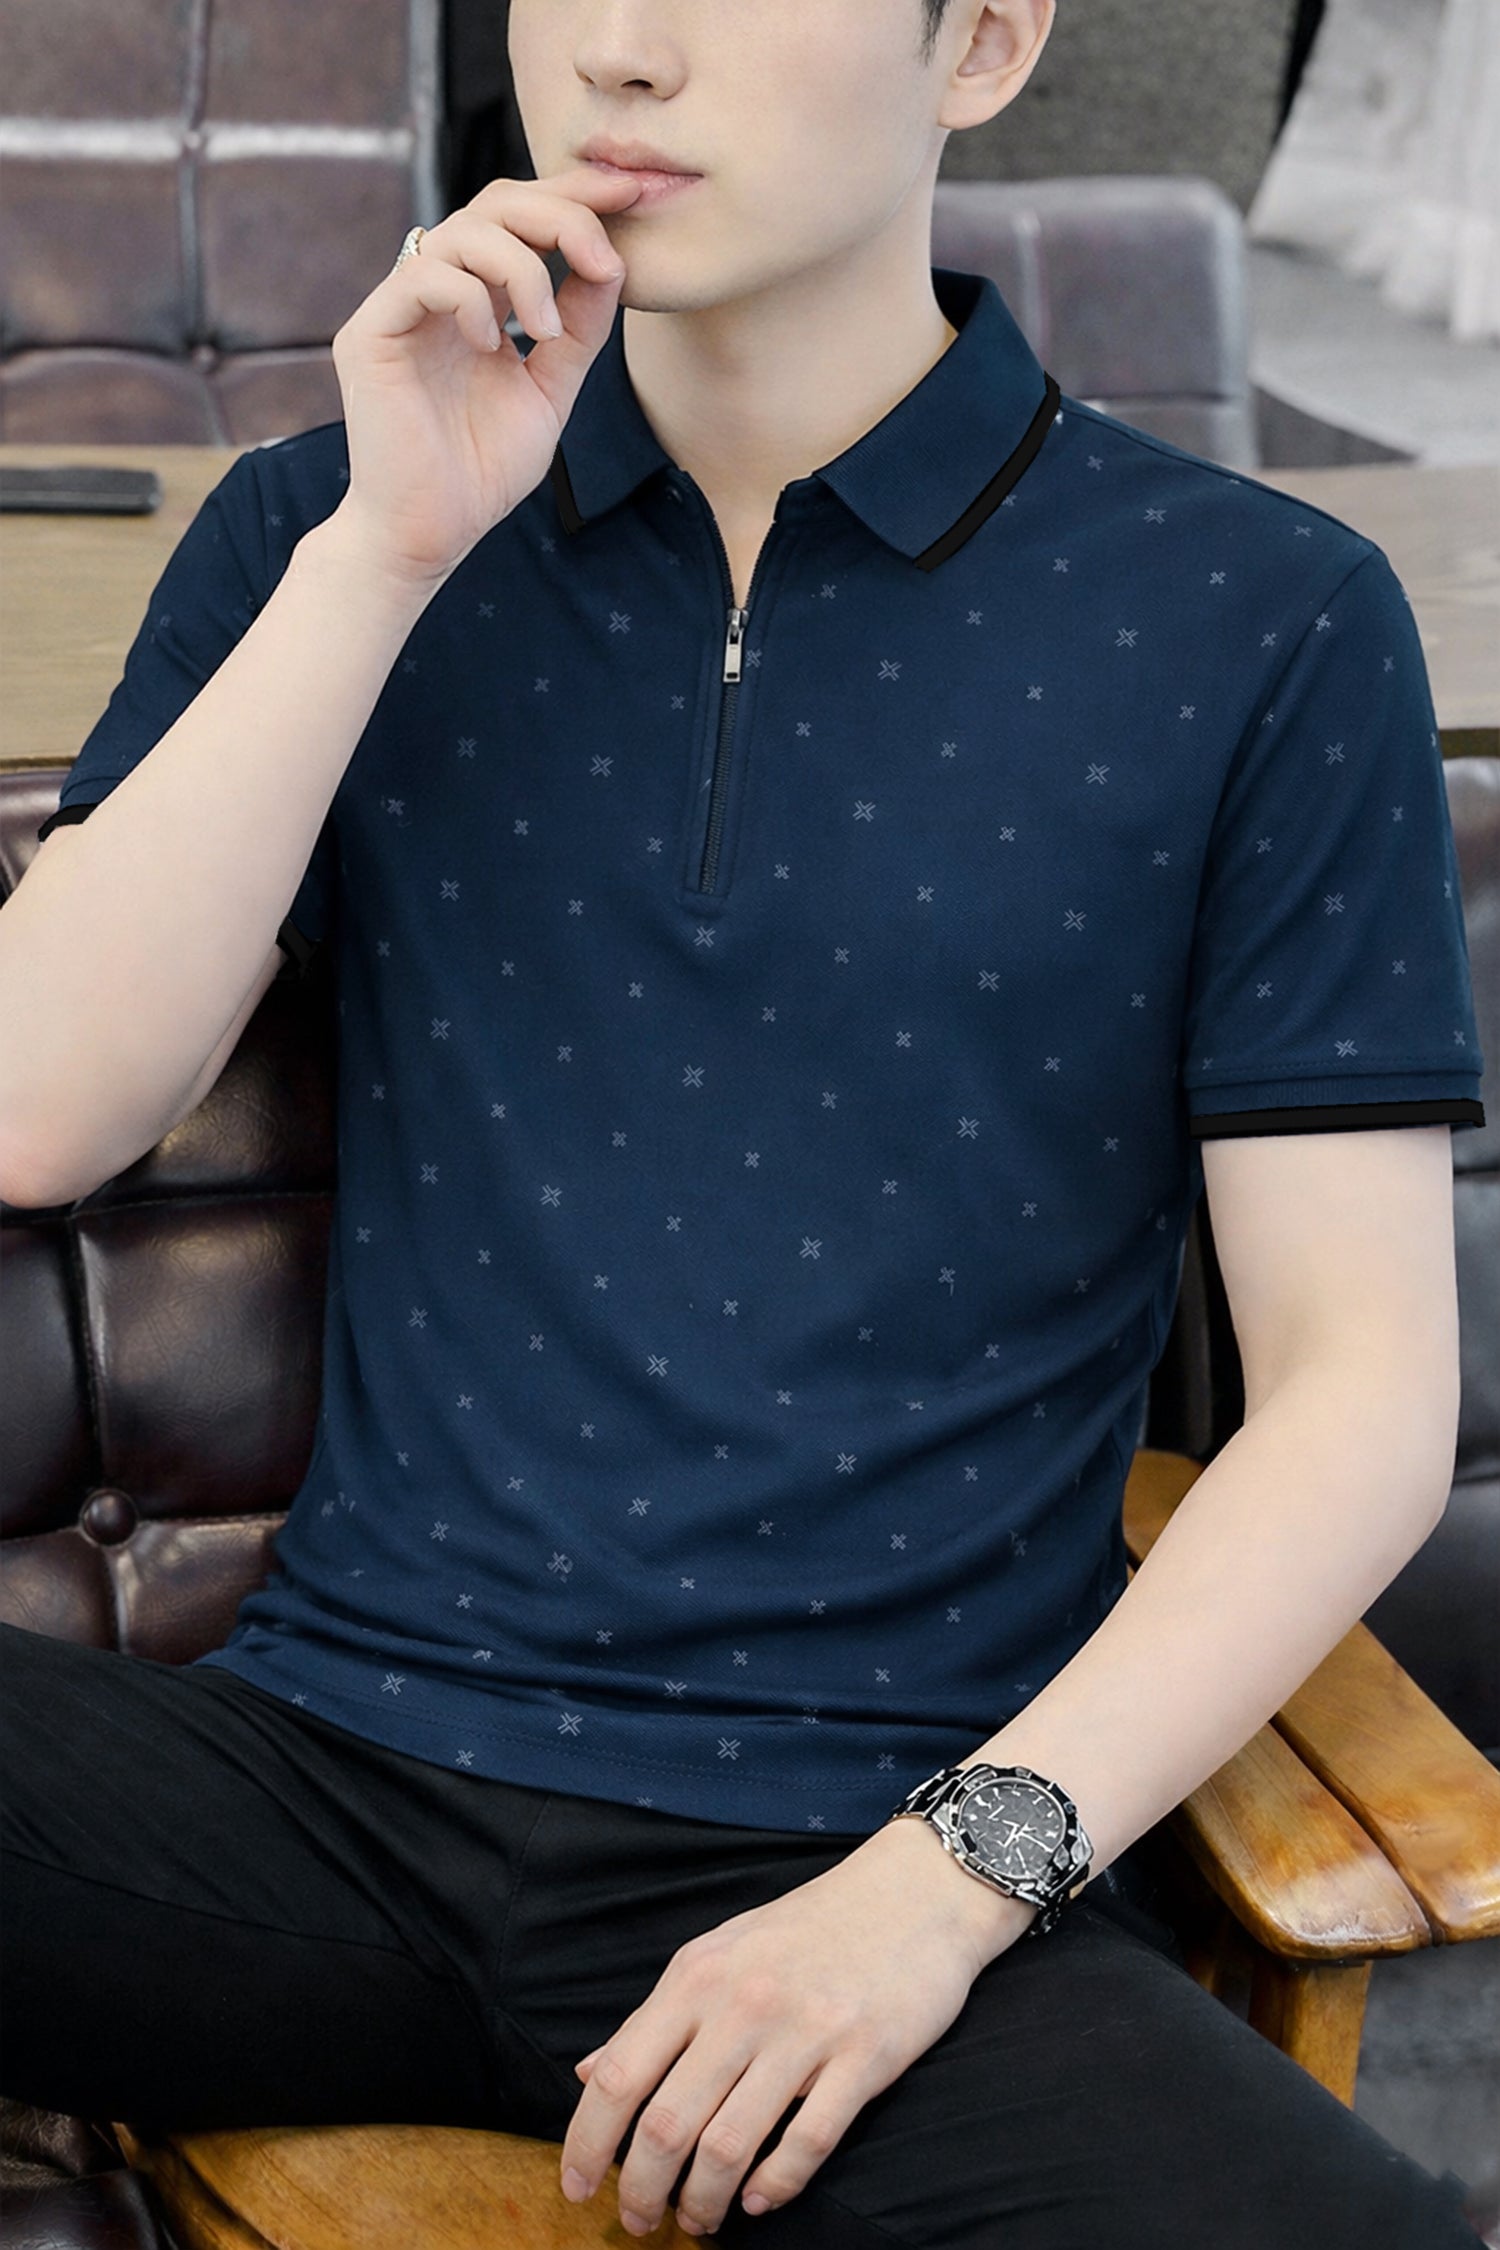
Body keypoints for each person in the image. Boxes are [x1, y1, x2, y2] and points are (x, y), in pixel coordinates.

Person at [0, 1, 1486, 2241]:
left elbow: (1362, 1395)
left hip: (870, 1867)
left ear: (981, 44)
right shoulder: (329, 517)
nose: (623, 51)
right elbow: (38, 1109)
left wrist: (939, 1893)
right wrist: (390, 546)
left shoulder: (1261, 619)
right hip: (316, 1807)